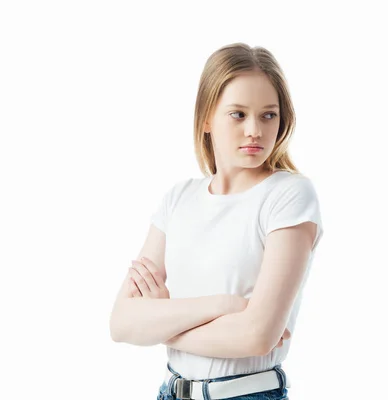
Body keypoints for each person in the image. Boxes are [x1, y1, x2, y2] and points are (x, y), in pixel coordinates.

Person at [109, 42, 324, 400]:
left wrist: (161, 320)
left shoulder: (289, 195)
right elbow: (121, 324)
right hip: (171, 391)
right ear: (207, 118)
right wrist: (225, 306)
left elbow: (257, 336)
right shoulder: (178, 199)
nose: (255, 129)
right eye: (238, 114)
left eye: (268, 115)